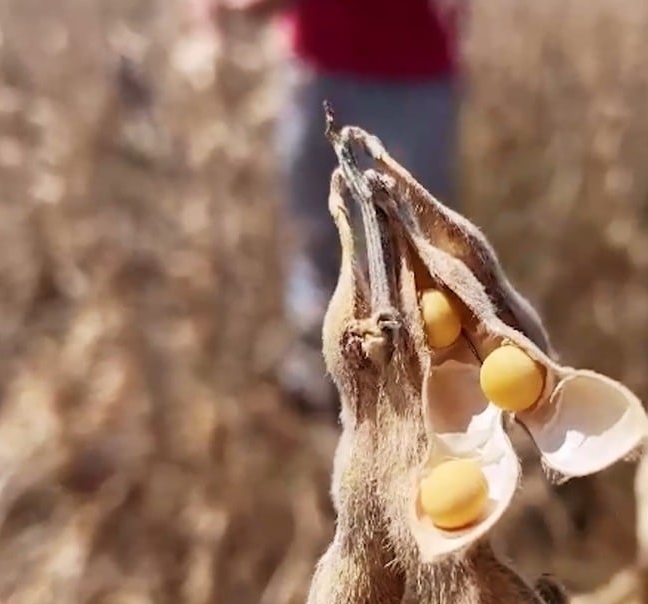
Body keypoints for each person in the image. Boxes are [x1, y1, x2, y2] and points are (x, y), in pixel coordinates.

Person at [193, 0, 464, 413]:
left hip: (413, 76)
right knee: (314, 228)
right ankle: (320, 369)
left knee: (414, 242)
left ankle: (422, 385)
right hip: (318, 69)